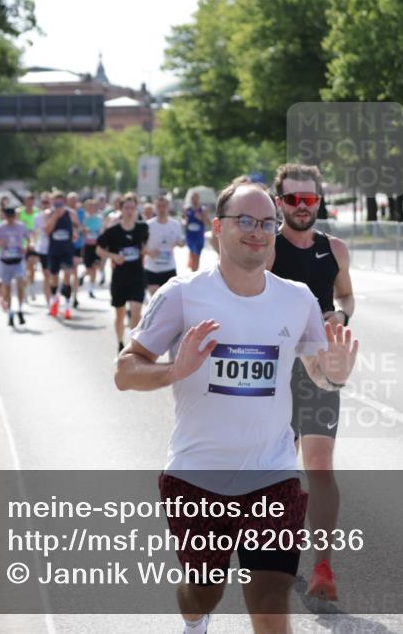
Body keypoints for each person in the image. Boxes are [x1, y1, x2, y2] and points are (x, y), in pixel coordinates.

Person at [115, 179, 358, 634]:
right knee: (204, 591)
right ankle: (195, 619)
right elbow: (124, 371)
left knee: (270, 600)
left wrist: (336, 374)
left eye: (267, 222)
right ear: (217, 228)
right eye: (244, 220)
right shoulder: (182, 294)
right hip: (196, 476)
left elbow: (318, 373)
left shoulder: (297, 298)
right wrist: (174, 370)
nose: (257, 231)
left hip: (273, 474)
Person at [267, 163, 355, 602]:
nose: (302, 207)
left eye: (310, 199)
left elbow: (346, 294)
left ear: (319, 200)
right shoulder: (266, 247)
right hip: (274, 370)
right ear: (278, 202)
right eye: (292, 200)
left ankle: (323, 565)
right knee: (279, 467)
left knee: (319, 464)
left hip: (319, 369)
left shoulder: (334, 248)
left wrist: (340, 315)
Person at [96, 193, 149, 353]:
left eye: (132, 207)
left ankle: (133, 346)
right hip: (119, 277)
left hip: (137, 276)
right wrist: (112, 256)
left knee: (136, 311)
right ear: (120, 209)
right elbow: (99, 249)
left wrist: (146, 251)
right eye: (126, 208)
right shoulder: (113, 231)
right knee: (119, 314)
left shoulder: (142, 228)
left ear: (136, 209)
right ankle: (120, 342)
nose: (130, 211)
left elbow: (145, 246)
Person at [43, 190, 80, 319]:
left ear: (64, 201)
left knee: (67, 278)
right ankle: (54, 302)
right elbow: (47, 231)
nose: (58, 204)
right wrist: (55, 217)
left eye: (60, 202)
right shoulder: (48, 213)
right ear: (52, 202)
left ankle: (68, 307)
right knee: (53, 279)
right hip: (54, 251)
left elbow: (78, 227)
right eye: (55, 202)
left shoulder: (71, 213)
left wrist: (76, 233)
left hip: (67, 250)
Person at [0, 207, 29, 327]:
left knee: (20, 283)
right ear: (4, 217)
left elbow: (29, 238)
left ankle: (20, 309)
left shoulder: (21, 226)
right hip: (5, 261)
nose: (10, 220)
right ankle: (10, 312)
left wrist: (26, 247)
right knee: (6, 287)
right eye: (8, 218)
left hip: (18, 260)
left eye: (12, 218)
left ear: (14, 216)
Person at [143, 194, 184, 298]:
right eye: (159, 206)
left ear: (168, 207)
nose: (161, 209)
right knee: (155, 298)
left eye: (164, 206)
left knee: (168, 300)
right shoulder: (148, 225)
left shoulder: (175, 224)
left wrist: (180, 243)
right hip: (152, 268)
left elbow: (182, 242)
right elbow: (141, 247)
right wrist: (150, 252)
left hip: (169, 267)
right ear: (155, 208)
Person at [80, 198, 103, 300]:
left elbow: (102, 231)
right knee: (89, 268)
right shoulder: (83, 218)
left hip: (96, 246)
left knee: (95, 267)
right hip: (87, 246)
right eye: (89, 206)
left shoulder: (99, 218)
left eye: (93, 206)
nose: (91, 208)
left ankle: (91, 290)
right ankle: (83, 275)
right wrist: (84, 230)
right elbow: (80, 231)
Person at [183, 190, 211, 272]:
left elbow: (209, 223)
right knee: (193, 254)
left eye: (195, 197)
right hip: (190, 235)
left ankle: (195, 271)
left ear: (198, 199)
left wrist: (201, 218)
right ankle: (193, 272)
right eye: (192, 198)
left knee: (197, 255)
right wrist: (185, 222)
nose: (194, 199)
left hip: (199, 235)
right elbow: (183, 219)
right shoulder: (186, 209)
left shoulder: (202, 209)